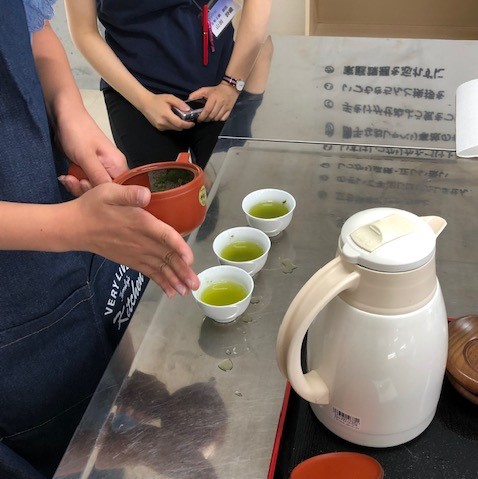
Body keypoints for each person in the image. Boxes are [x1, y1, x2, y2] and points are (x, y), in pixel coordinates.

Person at [0, 1, 199, 478]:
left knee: (113, 397)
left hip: (62, 221)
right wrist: (70, 227)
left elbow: (35, 31)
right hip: (14, 327)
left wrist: (69, 110)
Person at [64, 0, 272, 170]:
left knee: (228, 187)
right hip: (136, 90)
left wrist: (230, 84)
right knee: (165, 197)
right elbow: (84, 31)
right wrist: (144, 101)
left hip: (220, 82)